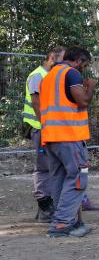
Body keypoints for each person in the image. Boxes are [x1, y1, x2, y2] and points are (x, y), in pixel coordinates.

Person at [39, 46, 96, 237]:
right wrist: (91, 87)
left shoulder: (48, 77)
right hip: (68, 136)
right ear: (78, 61)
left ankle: (65, 221)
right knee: (79, 177)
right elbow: (83, 101)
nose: (83, 69)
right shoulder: (70, 74)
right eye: (84, 65)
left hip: (50, 138)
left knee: (59, 180)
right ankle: (62, 224)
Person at [22, 45, 65, 221]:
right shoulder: (37, 76)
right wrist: (44, 124)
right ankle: (45, 206)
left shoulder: (48, 76)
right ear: (52, 59)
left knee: (50, 166)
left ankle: (48, 206)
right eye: (62, 60)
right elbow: (36, 103)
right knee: (42, 167)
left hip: (46, 128)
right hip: (40, 128)